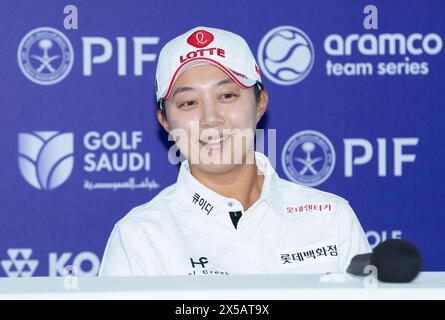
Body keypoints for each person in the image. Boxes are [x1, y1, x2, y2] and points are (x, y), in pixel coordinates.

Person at [99, 26, 371, 276]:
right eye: (188, 102)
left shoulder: (331, 218)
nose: (210, 118)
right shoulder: (138, 238)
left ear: (260, 104)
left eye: (227, 96)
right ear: (165, 121)